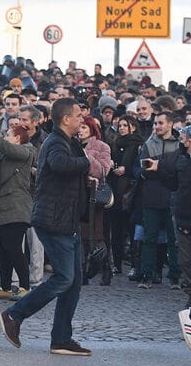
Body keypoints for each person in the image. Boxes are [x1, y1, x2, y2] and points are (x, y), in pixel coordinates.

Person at [0, 98, 93, 356]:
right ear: (66, 119)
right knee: (64, 278)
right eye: (78, 116)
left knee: (73, 283)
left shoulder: (69, 142)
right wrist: (87, 162)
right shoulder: (56, 142)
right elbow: (61, 165)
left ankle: (61, 339)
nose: (82, 119)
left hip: (67, 220)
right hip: (54, 220)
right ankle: (14, 315)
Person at [146, 124, 191, 311]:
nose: (180, 141)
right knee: (185, 261)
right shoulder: (182, 160)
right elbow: (174, 184)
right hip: (182, 218)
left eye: (182, 138)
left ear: (190, 141)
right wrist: (158, 170)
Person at [0, 117, 36, 301]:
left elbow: (4, 146)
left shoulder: (25, 152)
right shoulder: (4, 156)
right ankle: (5, 287)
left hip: (15, 210)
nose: (4, 137)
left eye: (8, 135)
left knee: (13, 248)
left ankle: (25, 287)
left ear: (17, 138)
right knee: (2, 250)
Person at [135, 111, 181, 289]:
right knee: (149, 239)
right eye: (155, 123)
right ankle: (146, 275)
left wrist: (159, 167)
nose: (157, 126)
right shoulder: (149, 144)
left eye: (160, 123)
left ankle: (175, 277)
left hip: (172, 197)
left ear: (170, 124)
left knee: (173, 240)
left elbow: (177, 170)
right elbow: (143, 169)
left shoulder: (179, 144)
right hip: (151, 196)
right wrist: (160, 170)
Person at [76, 115, 114, 286]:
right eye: (79, 127)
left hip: (94, 197)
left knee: (96, 234)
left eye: (84, 127)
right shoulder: (72, 144)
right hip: (77, 194)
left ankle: (105, 268)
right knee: (80, 235)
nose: (80, 130)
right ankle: (82, 271)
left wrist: (86, 156)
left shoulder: (101, 146)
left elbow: (103, 170)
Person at [108, 115, 144, 280]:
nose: (121, 128)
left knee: (132, 230)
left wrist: (126, 169)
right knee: (116, 230)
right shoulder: (115, 144)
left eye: (125, 125)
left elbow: (138, 167)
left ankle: (135, 265)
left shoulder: (138, 145)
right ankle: (117, 264)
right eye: (120, 125)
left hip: (131, 192)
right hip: (116, 190)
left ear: (133, 127)